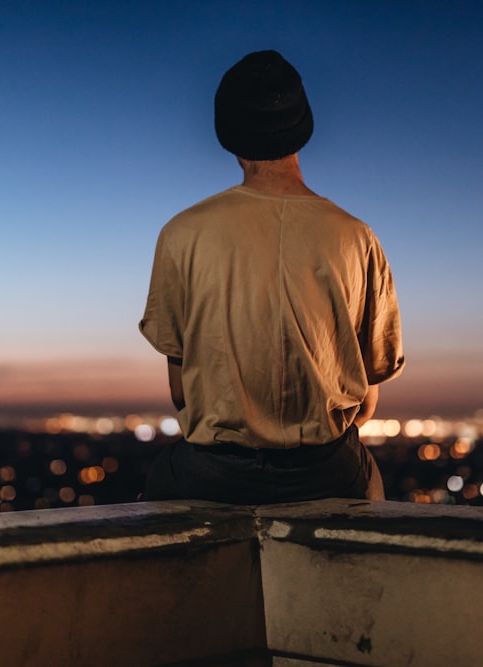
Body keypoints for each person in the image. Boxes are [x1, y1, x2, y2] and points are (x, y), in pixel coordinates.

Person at [139, 50, 404, 504]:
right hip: (329, 473)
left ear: (229, 135)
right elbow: (368, 402)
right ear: (303, 128)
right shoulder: (358, 238)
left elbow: (180, 391)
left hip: (214, 474)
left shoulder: (182, 234)